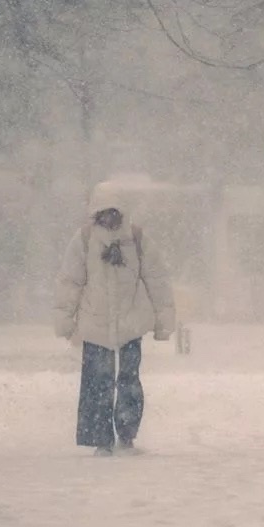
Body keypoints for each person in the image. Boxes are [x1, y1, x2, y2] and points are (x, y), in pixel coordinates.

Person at [53, 182, 175, 455]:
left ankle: (127, 434)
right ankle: (100, 439)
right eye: (103, 212)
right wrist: (64, 317)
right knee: (97, 383)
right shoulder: (84, 240)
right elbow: (70, 281)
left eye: (114, 211)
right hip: (95, 324)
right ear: (96, 213)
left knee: (129, 381)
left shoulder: (137, 240)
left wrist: (164, 319)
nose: (109, 217)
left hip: (131, 323)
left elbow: (157, 281)